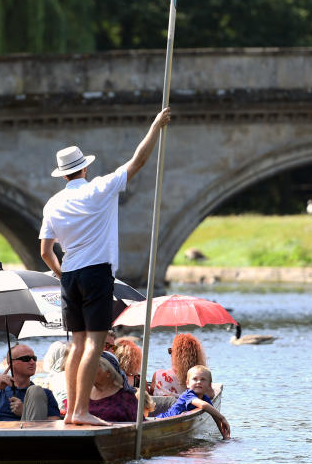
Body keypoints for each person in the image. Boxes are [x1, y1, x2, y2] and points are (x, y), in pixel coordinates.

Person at [39, 107, 171, 426]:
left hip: (69, 274)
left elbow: (45, 251)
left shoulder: (52, 204)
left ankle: (71, 411)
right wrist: (155, 126)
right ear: (83, 168)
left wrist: (61, 275)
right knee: (94, 346)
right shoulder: (100, 188)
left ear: (63, 174)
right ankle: (82, 410)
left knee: (77, 345)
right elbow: (138, 161)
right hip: (96, 272)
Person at [154, 365, 230, 439]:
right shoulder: (188, 395)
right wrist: (222, 417)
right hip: (163, 420)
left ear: (209, 385)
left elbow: (215, 416)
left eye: (203, 379)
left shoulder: (205, 398)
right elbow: (203, 405)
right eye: (195, 379)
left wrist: (224, 436)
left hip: (174, 425)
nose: (199, 382)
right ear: (187, 384)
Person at [60, 352, 139, 422]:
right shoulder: (82, 394)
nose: (88, 371)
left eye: (94, 367)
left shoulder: (126, 396)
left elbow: (139, 424)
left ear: (108, 372)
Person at [151, 332, 207, 399]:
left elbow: (151, 396)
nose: (170, 354)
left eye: (170, 351)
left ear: (175, 355)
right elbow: (209, 395)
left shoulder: (158, 376)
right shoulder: (200, 377)